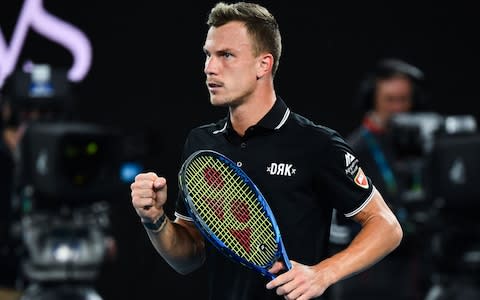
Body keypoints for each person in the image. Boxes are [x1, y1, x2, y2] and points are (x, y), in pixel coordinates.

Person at [130, 2, 403, 299]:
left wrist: (323, 273)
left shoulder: (315, 144)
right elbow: (189, 257)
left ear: (264, 64)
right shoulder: (201, 144)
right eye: (208, 55)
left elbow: (387, 227)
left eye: (226, 56)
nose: (209, 67)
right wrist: (154, 220)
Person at [329, 58, 429, 300]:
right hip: (368, 279)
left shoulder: (421, 147)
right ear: (372, 100)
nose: (397, 108)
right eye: (390, 100)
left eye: (403, 100)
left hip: (412, 272)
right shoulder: (353, 150)